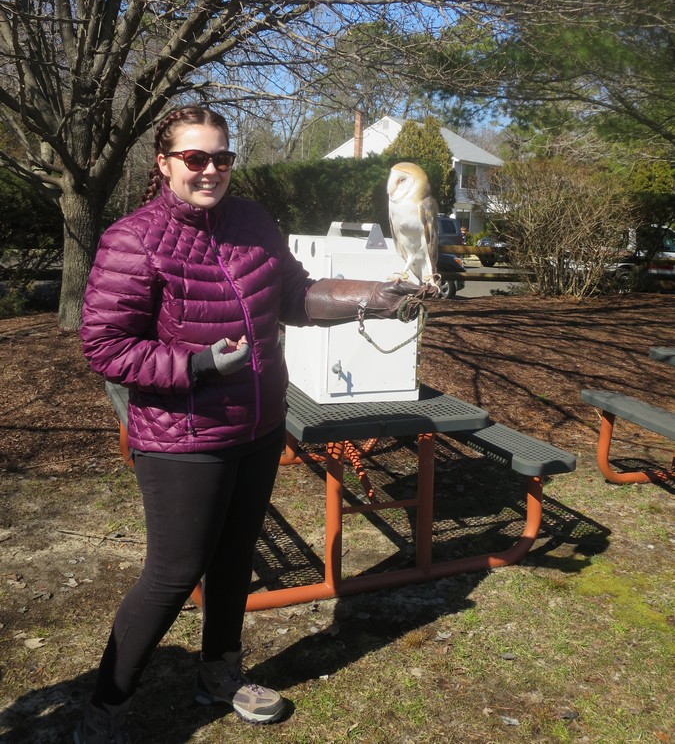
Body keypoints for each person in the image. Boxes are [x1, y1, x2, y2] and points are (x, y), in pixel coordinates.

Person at [76, 104, 429, 743]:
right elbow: (105, 348)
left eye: (222, 158)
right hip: (185, 437)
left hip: (261, 424)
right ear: (164, 163)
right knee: (175, 570)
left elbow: (296, 295)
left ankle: (220, 673)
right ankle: (105, 708)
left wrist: (375, 297)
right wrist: (198, 364)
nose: (211, 170)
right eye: (195, 158)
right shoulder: (133, 239)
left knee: (234, 557)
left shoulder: (253, 221)